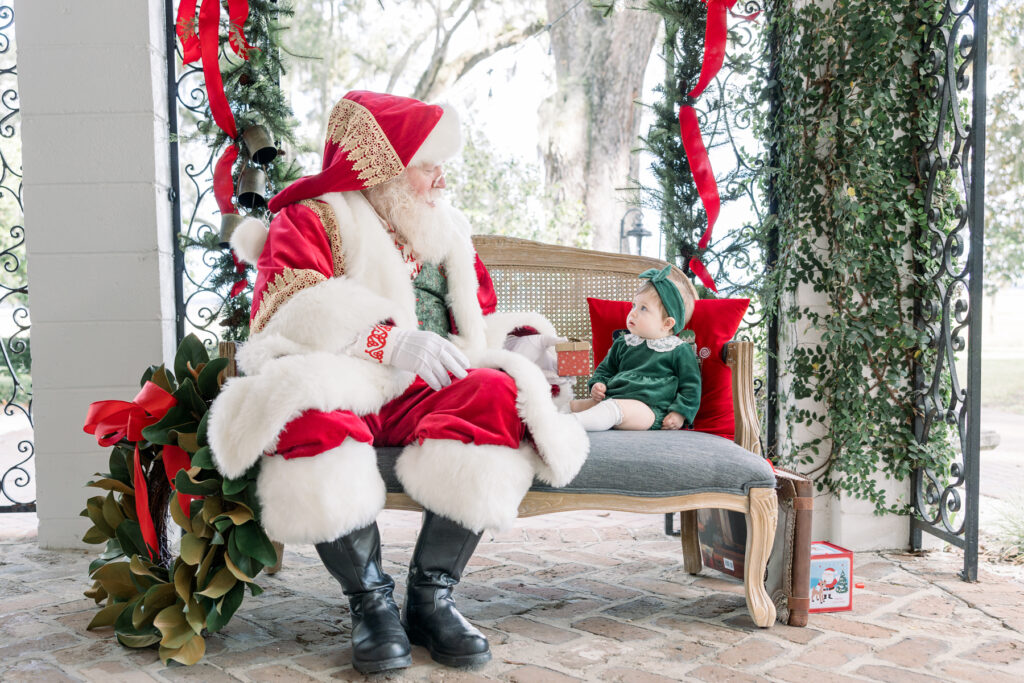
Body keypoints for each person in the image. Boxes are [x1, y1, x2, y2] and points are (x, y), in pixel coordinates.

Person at [207, 91, 588, 673]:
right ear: (383, 168)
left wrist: (520, 344)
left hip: (428, 388)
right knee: (302, 412)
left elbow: (478, 323)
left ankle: (432, 598)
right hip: (350, 376)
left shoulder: (447, 232)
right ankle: (370, 604)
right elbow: (283, 310)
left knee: (495, 393)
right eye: (427, 166)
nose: (441, 180)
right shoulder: (317, 216)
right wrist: (384, 338)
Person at [570, 266, 701, 432]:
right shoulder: (624, 343)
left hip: (649, 409)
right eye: (634, 305)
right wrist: (598, 384)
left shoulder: (678, 349)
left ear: (667, 323)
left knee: (612, 410)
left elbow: (691, 386)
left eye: (643, 308)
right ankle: (543, 417)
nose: (632, 313)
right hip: (611, 397)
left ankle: (567, 424)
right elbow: (605, 369)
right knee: (576, 405)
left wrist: (680, 413)